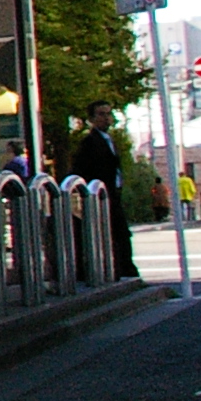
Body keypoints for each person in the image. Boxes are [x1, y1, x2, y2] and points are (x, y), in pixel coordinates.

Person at [71, 100, 140, 281]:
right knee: (113, 232)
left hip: (112, 193)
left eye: (108, 113)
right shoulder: (90, 142)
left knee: (120, 232)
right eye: (101, 114)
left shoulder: (109, 140)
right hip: (100, 195)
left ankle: (124, 268)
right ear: (92, 119)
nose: (107, 118)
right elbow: (80, 170)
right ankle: (121, 268)